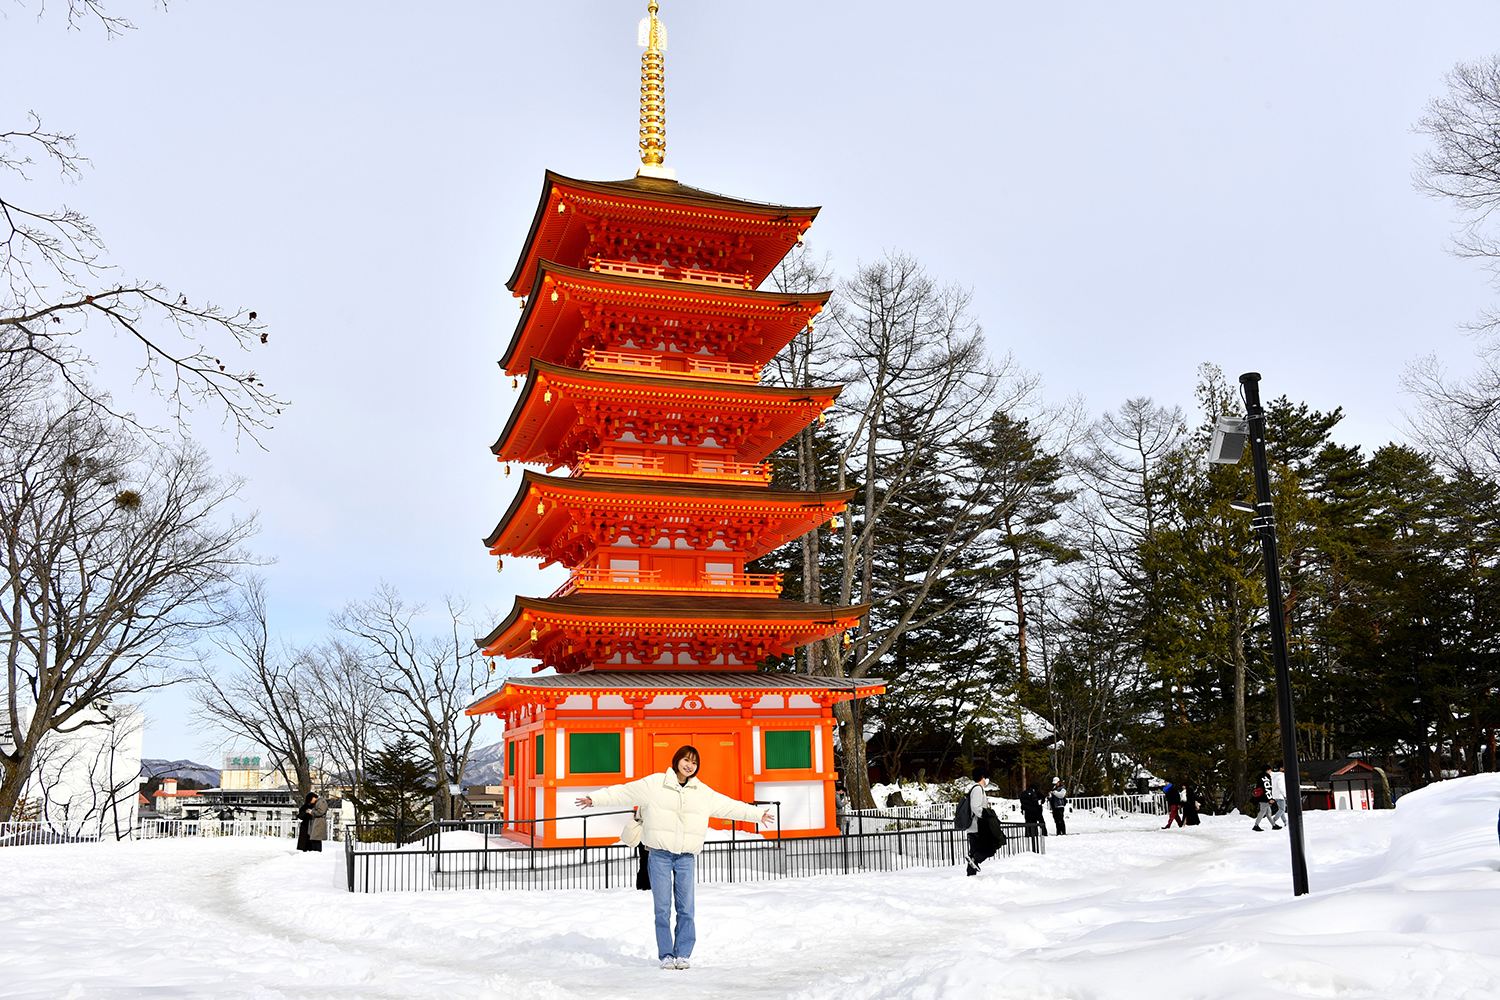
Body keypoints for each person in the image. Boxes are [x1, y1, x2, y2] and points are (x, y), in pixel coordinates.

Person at [576, 745, 774, 970]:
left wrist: (757, 814)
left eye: (695, 763)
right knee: (662, 908)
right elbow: (624, 791)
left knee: (686, 908)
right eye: (686, 760)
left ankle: (683, 954)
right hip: (659, 855)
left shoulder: (702, 792)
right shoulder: (655, 784)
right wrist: (595, 799)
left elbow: (729, 807)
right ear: (677, 760)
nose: (690, 766)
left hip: (686, 857)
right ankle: (666, 955)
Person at [962, 768, 992, 876]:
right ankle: (974, 862)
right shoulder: (978, 789)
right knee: (989, 847)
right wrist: (984, 816)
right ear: (982, 777)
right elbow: (975, 806)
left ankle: (971, 874)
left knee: (974, 851)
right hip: (977, 824)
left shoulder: (976, 789)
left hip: (974, 826)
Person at [1251, 765, 1278, 831]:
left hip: (1261, 796)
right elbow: (1267, 788)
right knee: (1262, 811)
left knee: (1268, 812)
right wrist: (1270, 798)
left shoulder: (1260, 777)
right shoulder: (1266, 777)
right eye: (1269, 770)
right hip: (1265, 797)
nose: (1270, 771)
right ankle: (1256, 825)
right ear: (1267, 770)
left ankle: (1273, 824)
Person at [1270, 762, 1288, 828]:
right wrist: (1285, 794)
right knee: (1282, 809)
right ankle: (1273, 820)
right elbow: (1281, 786)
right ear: (1280, 768)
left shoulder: (1274, 776)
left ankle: (1285, 821)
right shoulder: (1281, 776)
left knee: (1281, 809)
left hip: (1275, 794)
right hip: (1280, 795)